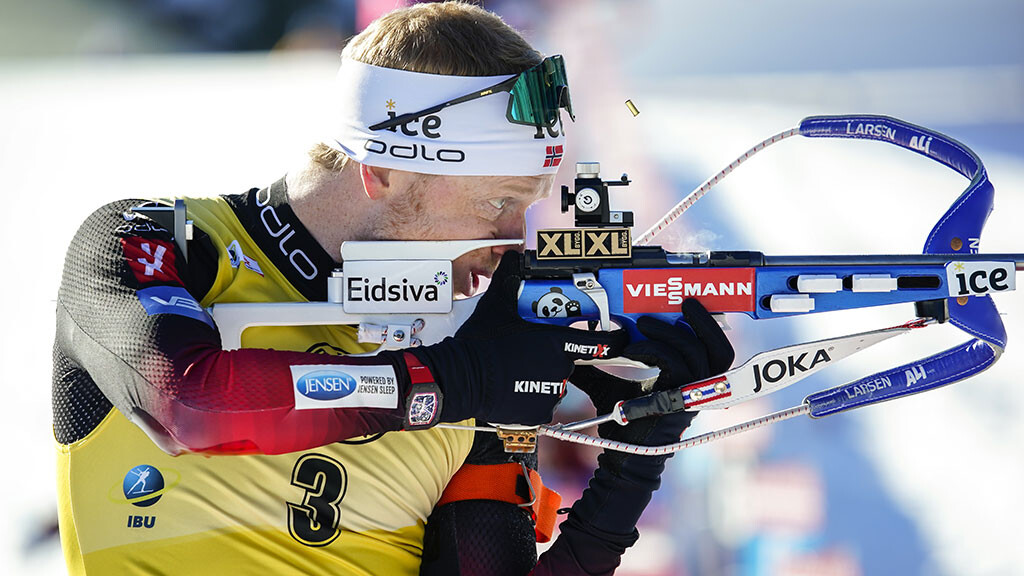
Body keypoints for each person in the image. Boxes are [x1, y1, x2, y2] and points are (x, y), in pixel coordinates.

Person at [52, 3, 734, 575]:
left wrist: (637, 462)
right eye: (496, 202)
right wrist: (458, 381)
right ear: (379, 169)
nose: (513, 242)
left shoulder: (466, 334)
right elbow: (190, 404)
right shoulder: (158, 240)